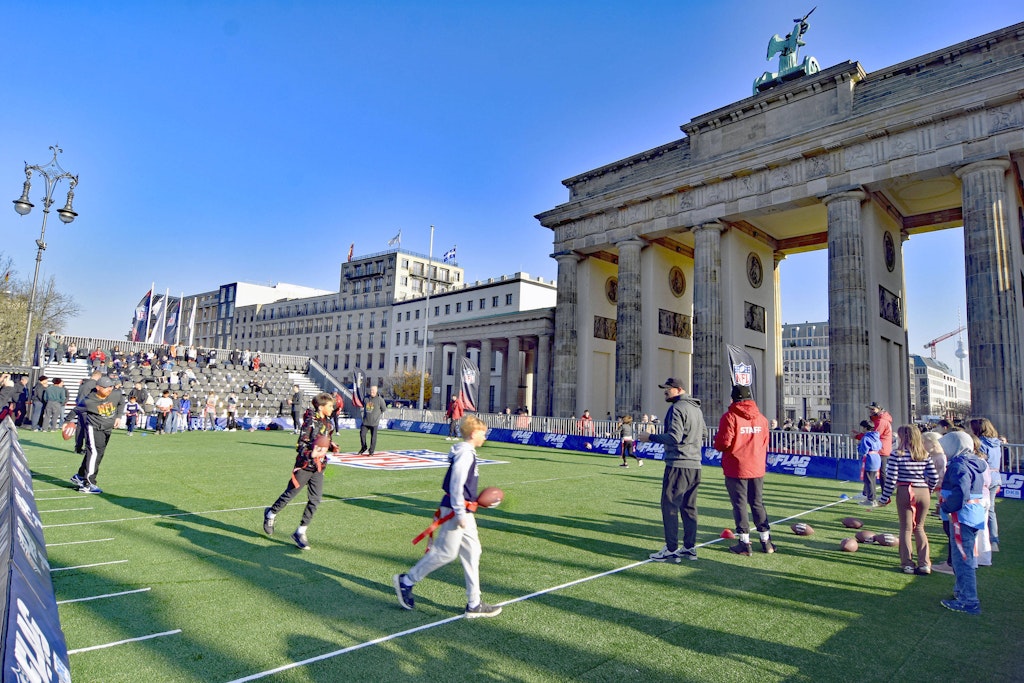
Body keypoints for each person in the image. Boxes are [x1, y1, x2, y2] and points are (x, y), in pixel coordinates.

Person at [392, 414, 502, 618]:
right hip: (456, 509)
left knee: (473, 552)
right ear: (474, 433)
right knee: (446, 553)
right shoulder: (465, 453)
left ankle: (474, 603)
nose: (485, 438)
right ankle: (406, 581)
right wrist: (460, 511)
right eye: (483, 433)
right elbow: (456, 483)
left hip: (464, 510)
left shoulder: (467, 452)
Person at [638, 377, 705, 562]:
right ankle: (689, 547)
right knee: (689, 507)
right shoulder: (696, 409)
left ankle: (671, 548)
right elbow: (705, 433)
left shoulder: (677, 408)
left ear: (678, 389)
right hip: (695, 465)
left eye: (668, 388)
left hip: (678, 464)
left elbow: (674, 437)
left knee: (670, 506)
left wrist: (650, 437)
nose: (665, 392)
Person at [263, 393, 338, 550]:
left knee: (315, 499)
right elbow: (301, 445)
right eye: (330, 406)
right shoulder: (310, 421)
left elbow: (323, 441)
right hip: (304, 465)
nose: (333, 408)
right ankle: (270, 514)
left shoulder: (329, 423)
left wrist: (331, 446)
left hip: (319, 467)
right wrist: (310, 454)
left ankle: (300, 531)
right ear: (321, 407)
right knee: (290, 494)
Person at [713, 385, 775, 555]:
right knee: (757, 503)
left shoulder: (730, 416)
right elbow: (765, 441)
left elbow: (723, 443)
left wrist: (716, 441)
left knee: (739, 504)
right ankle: (766, 540)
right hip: (756, 466)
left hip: (737, 466)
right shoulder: (761, 418)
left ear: (733, 399)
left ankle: (744, 542)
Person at [936, 430, 989, 615]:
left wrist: (947, 506)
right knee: (964, 557)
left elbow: (961, 491)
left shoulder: (959, 465)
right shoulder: (974, 462)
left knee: (963, 560)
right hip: (972, 515)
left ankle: (969, 600)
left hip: (962, 516)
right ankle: (962, 592)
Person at [879, 425, 939, 574]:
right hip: (923, 490)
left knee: (906, 529)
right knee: (919, 527)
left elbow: (891, 479)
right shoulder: (925, 454)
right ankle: (924, 563)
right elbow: (934, 477)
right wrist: (928, 490)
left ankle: (907, 563)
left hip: (906, 489)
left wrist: (884, 498)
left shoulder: (896, 454)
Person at [71, 377, 124, 494]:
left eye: (111, 386)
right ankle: (88, 483)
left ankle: (80, 475)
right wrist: (66, 422)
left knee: (97, 454)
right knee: (94, 453)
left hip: (107, 428)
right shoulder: (89, 399)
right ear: (98, 388)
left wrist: (119, 416)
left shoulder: (115, 394)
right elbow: (76, 410)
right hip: (94, 427)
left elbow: (121, 402)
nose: (109, 389)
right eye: (106, 387)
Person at [969, 418, 1002, 552]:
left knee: (982, 509)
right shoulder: (996, 443)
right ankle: (993, 540)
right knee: (990, 510)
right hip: (996, 476)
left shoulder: (981, 443)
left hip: (986, 477)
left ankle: (984, 540)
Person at [867, 402, 893, 490]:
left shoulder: (881, 421)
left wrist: (859, 436)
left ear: (879, 409)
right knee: (879, 472)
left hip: (880, 449)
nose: (870, 411)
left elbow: (875, 435)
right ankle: (882, 494)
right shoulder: (882, 419)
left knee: (874, 472)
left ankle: (875, 494)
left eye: (872, 409)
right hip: (882, 449)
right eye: (870, 409)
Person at [856, 420, 882, 507]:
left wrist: (858, 446)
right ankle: (873, 498)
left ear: (865, 428)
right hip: (876, 458)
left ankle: (870, 499)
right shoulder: (876, 437)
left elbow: (863, 451)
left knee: (868, 480)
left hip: (869, 459)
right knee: (873, 480)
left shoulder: (866, 438)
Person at [357, 385, 387, 455]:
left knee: (373, 438)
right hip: (365, 421)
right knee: (362, 434)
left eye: (373, 390)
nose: (371, 392)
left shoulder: (380, 400)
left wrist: (377, 414)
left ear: (376, 391)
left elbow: (384, 409)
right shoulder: (366, 398)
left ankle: (371, 451)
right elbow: (362, 404)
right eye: (371, 390)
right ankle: (364, 447)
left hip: (374, 422)